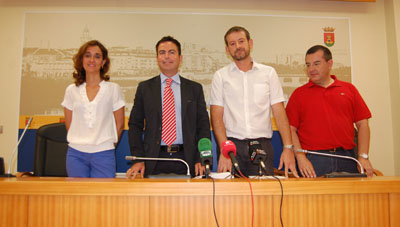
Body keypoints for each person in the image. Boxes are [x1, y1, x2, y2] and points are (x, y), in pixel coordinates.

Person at [210, 26, 298, 177]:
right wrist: (224, 149)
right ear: (227, 49)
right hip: (232, 147)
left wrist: (288, 148)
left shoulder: (268, 73)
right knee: (231, 198)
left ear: (250, 43)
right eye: (232, 44)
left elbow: (279, 112)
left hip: (262, 145)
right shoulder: (221, 76)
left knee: (264, 198)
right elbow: (216, 116)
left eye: (241, 41)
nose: (237, 46)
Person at [126, 36, 211, 178]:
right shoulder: (145, 88)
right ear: (157, 57)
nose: (166, 56)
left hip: (187, 159)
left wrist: (200, 158)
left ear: (180, 57)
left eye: (171, 52)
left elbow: (203, 126)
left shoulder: (194, 89)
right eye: (162, 52)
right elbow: (135, 125)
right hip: (153, 158)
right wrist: (139, 159)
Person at [286, 45, 374, 177]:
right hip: (314, 160)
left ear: (329, 63)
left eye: (316, 64)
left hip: (348, 158)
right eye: (308, 65)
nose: (311, 69)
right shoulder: (298, 94)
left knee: (350, 198)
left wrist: (363, 156)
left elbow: (363, 124)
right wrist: (300, 157)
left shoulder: (349, 89)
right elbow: (290, 130)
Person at [62, 40, 125, 178]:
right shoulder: (71, 90)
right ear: (81, 60)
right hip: (76, 154)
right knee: (77, 198)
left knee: (103, 198)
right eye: (87, 55)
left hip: (104, 153)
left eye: (97, 56)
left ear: (103, 62)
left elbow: (119, 125)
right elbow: (69, 124)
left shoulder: (113, 89)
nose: (92, 60)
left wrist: (105, 146)